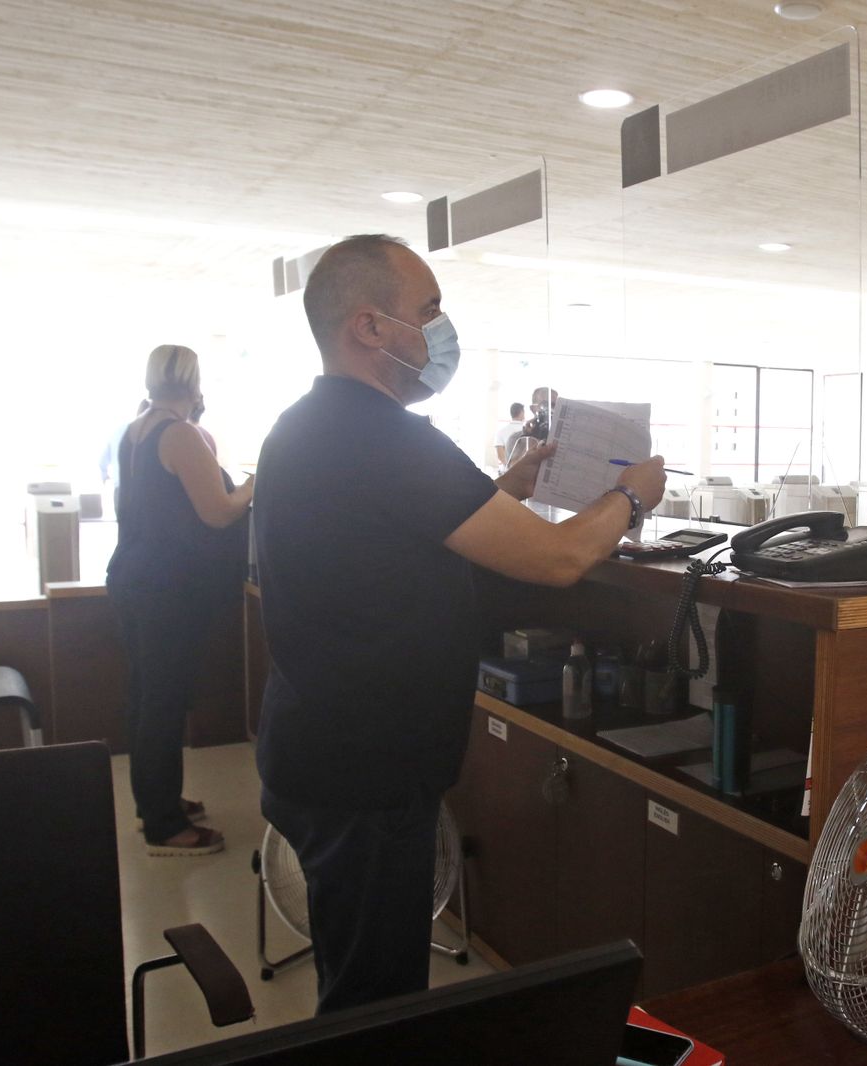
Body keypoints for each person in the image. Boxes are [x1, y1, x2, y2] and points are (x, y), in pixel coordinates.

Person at [253, 233, 665, 1014]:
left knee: (357, 975)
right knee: (375, 1006)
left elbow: (393, 531)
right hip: (366, 773)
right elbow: (559, 558)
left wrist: (509, 485)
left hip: (317, 747)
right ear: (369, 327)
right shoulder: (386, 438)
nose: (441, 331)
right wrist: (632, 494)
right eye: (430, 310)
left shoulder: (307, 426)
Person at [106, 344, 254, 856]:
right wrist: (254, 484)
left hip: (133, 576)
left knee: (148, 695)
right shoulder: (181, 434)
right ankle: (165, 827)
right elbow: (218, 511)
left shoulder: (137, 430)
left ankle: (155, 800)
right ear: (195, 382)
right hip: (166, 588)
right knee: (164, 700)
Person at [493, 401, 525, 467]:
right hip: (525, 468)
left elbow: (500, 455)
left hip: (508, 470)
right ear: (522, 413)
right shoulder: (527, 431)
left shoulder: (501, 432)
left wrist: (509, 467)